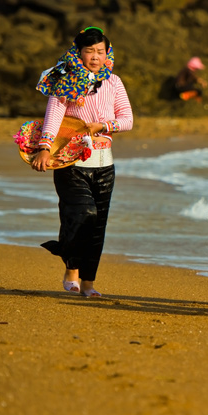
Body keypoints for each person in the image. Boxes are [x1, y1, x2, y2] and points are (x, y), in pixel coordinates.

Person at [31, 26, 134, 298]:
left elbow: (127, 120)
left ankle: (88, 283)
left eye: (101, 51)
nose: (96, 57)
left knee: (98, 225)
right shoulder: (64, 80)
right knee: (82, 214)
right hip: (69, 162)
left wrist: (104, 125)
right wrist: (43, 148)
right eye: (90, 51)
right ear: (79, 52)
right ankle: (71, 266)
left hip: (104, 166)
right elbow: (53, 115)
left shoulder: (114, 82)